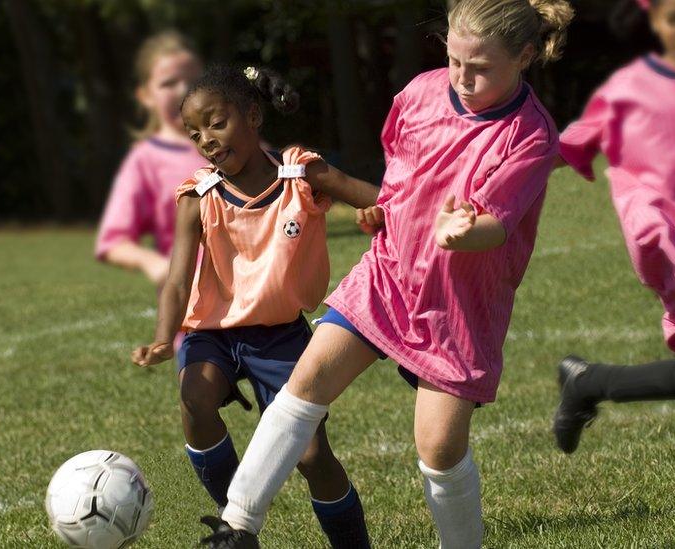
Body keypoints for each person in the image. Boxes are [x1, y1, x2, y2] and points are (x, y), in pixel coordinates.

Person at [199, 1, 574, 547]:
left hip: (457, 306)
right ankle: (237, 527)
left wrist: (463, 232)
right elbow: (400, 175)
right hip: (388, 275)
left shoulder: (530, 136)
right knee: (305, 386)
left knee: (439, 450)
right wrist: (385, 209)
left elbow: (496, 224)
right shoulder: (419, 94)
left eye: (482, 68)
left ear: (523, 56)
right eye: (454, 61)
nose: (463, 79)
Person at [131, 63, 382, 548]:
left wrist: (373, 213)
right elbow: (178, 278)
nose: (205, 138)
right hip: (215, 333)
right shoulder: (198, 194)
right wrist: (165, 338)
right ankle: (236, 528)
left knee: (312, 458)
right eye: (194, 132)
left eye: (216, 122)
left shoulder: (301, 173)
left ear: (252, 116)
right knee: (195, 400)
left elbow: (373, 199)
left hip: (282, 334)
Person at [552, 0, 675, 454]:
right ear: (656, 21)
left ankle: (587, 383)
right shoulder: (629, 89)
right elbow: (563, 147)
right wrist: (496, 180)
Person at [95, 31, 205, 287]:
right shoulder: (145, 161)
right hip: (193, 316)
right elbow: (113, 242)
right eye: (169, 83)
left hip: (257, 307)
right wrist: (153, 263)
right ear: (145, 96)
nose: (184, 91)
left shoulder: (239, 145)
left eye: (194, 81)